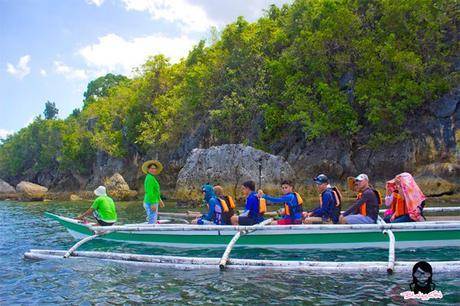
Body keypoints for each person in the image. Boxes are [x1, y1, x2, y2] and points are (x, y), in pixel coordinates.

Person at [142, 160, 165, 224]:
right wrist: (152, 203)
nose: (153, 170)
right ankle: (150, 232)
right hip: (150, 202)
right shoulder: (150, 178)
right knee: (152, 220)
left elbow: (156, 191)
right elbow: (150, 192)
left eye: (155, 168)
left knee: (152, 219)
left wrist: (159, 200)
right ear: (148, 169)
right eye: (152, 168)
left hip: (152, 201)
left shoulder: (151, 177)